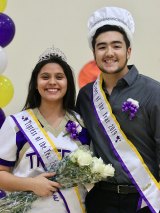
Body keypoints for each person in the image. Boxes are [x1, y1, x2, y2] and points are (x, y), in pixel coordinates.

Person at [76, 6, 160, 213]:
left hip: (144, 200)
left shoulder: (153, 91)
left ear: (128, 51)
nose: (109, 53)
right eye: (102, 47)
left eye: (116, 46)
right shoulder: (86, 95)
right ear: (94, 53)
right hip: (102, 199)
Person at [0, 46, 90, 213]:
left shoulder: (83, 124)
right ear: (35, 83)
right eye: (45, 77)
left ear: (68, 83)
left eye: (59, 77)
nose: (52, 82)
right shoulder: (16, 124)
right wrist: (32, 184)